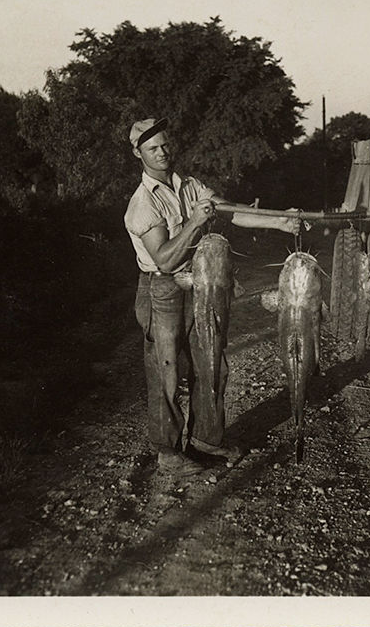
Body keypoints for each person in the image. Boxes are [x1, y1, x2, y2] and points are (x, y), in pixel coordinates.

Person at [123, 118, 299, 477]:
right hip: (163, 289)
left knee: (212, 362)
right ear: (138, 154)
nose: (162, 153)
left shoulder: (190, 186)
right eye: (152, 148)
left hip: (201, 282)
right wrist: (194, 223)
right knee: (167, 371)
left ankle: (207, 439)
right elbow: (165, 259)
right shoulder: (142, 204)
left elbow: (231, 210)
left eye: (165, 145)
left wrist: (278, 220)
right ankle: (168, 452)